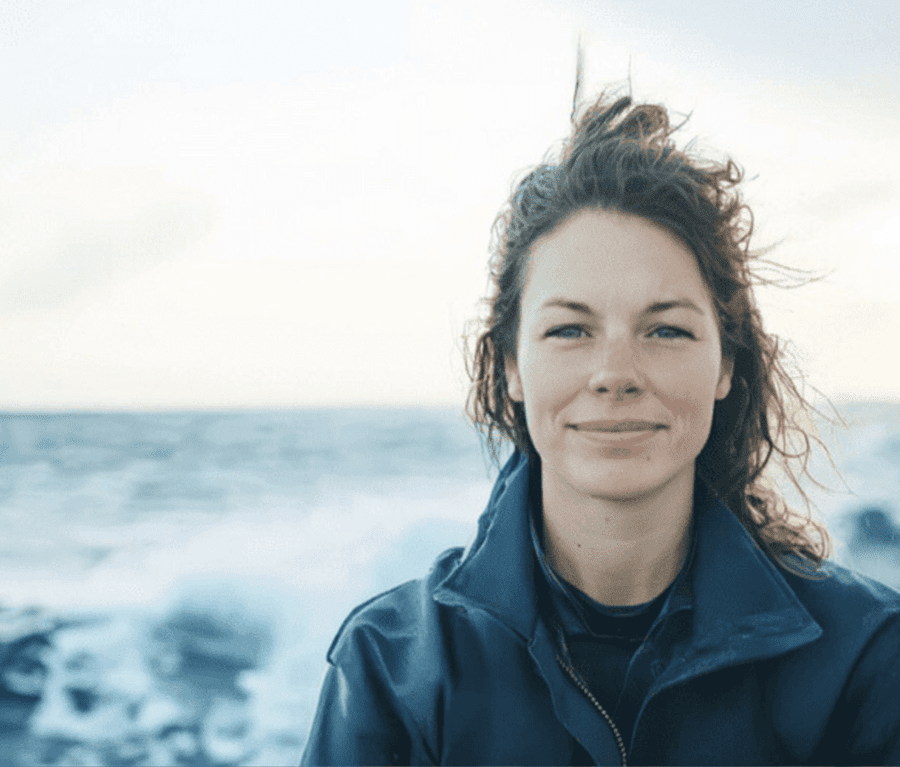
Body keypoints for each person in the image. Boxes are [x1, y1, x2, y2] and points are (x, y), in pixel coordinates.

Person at [300, 88, 900, 766]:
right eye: (569, 329)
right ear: (511, 369)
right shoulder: (393, 668)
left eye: (667, 328)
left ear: (726, 365)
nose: (616, 372)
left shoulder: (865, 653)